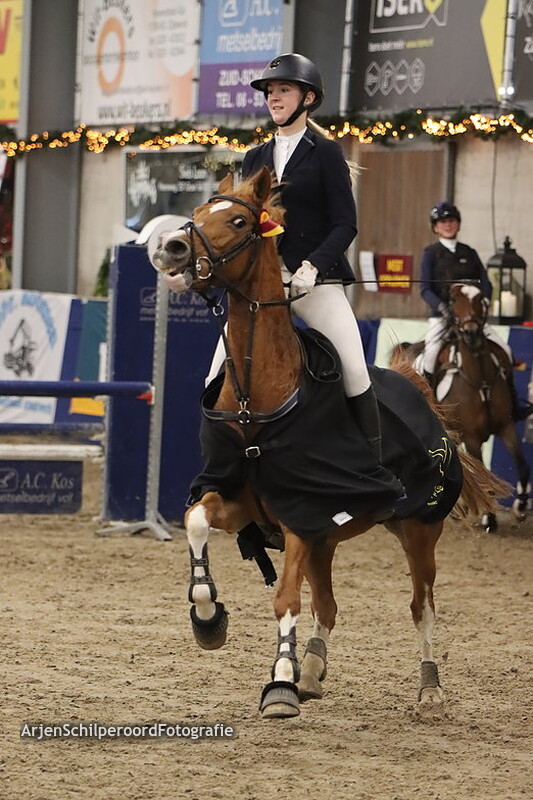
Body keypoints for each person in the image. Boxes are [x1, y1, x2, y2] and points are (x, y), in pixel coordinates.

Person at [203, 53, 397, 470]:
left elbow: (346, 224)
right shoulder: (255, 157)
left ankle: (374, 470)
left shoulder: (326, 153)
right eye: (271, 91)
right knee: (216, 374)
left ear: (307, 98)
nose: (274, 97)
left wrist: (313, 266)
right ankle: (221, 472)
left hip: (316, 283)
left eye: (283, 90)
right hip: (264, 285)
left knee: (354, 370)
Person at [417, 201, 532, 420]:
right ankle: (429, 408)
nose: (448, 225)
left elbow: (486, 283)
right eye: (442, 222)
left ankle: (514, 405)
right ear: (435, 227)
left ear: (458, 224)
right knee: (429, 355)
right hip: (443, 318)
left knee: (505, 350)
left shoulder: (468, 252)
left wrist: (483, 304)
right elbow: (425, 289)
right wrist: (442, 307)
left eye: (451, 220)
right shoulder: (431, 254)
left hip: (471, 318)